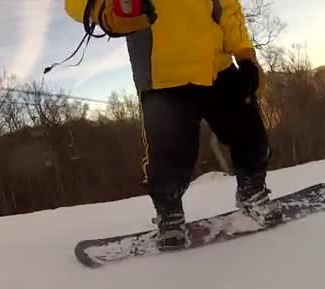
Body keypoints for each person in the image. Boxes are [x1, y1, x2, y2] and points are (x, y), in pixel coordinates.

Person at [70, 0, 281, 247]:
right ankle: (169, 213)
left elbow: (227, 9)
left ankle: (253, 191)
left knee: (250, 133)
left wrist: (245, 55)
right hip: (163, 79)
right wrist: (101, 10)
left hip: (217, 68)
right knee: (169, 157)